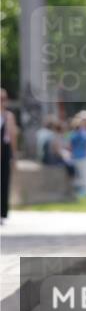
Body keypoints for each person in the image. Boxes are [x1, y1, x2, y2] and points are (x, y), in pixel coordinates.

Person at [1, 89, 18, 224]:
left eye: (4, 99)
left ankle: (3, 212)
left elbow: (12, 136)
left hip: (4, 150)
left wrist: (14, 155)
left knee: (4, 180)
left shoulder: (8, 116)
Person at [68, 111, 86, 197]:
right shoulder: (74, 133)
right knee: (79, 176)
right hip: (77, 157)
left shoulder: (85, 133)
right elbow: (70, 145)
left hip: (83, 157)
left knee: (85, 176)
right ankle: (82, 191)